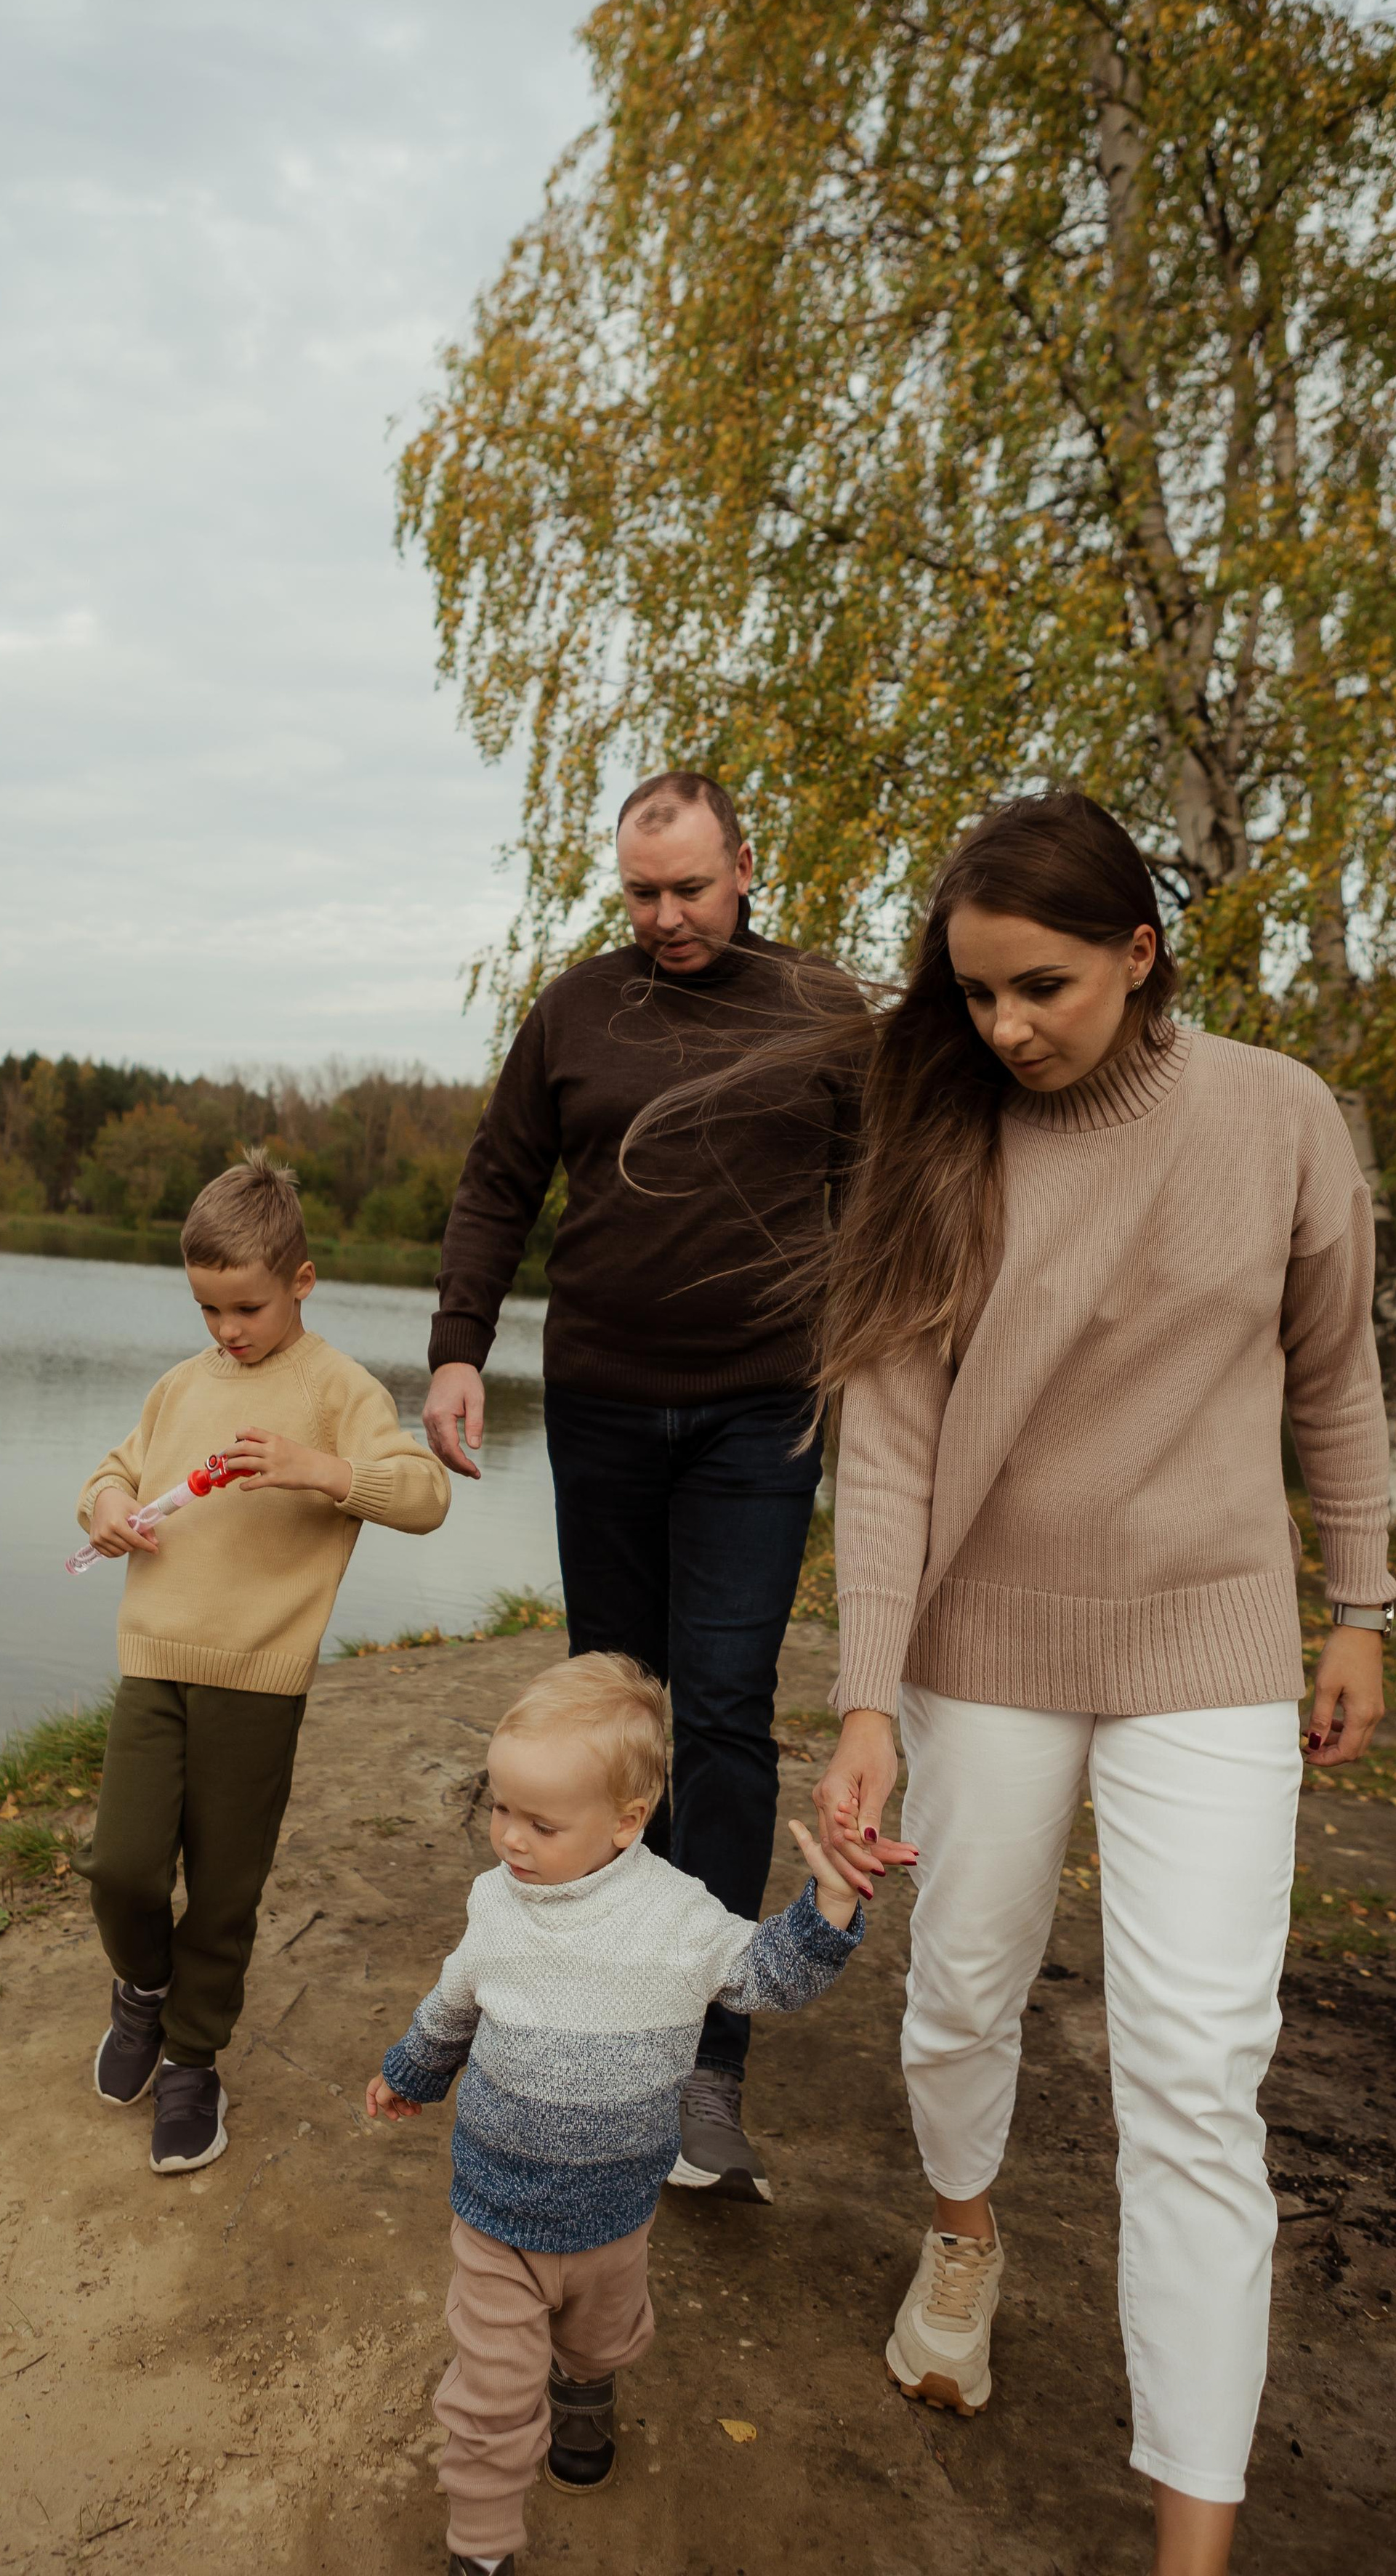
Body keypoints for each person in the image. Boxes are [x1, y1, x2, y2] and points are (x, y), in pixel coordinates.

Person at [804, 792, 1393, 2576]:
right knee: (959, 1992)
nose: (1003, 1029)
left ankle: (1186, 2548)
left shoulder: (1276, 1113)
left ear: (1139, 953)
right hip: (981, 1641)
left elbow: (1334, 1372)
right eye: (973, 994)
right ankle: (964, 2227)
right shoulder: (943, 1139)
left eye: (1039, 986)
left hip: (1208, 1641)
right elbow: (891, 1453)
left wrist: (1356, 1601)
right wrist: (862, 1700)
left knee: (1199, 2073)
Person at [424, 769, 866, 2200]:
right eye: (639, 892)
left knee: (724, 1715)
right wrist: (454, 1353)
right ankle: (594, 1997)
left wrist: (881, 1376)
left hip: (758, 1410)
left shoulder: (821, 1014)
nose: (665, 916)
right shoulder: (574, 1011)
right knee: (615, 1718)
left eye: (688, 887)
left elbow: (878, 1207)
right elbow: (497, 1183)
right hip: (604, 1404)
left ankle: (709, 2065)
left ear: (747, 866)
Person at [368, 1653, 864, 2576]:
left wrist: (828, 1905)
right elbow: (453, 2005)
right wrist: (412, 2072)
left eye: (541, 1822)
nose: (510, 1839)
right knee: (487, 2398)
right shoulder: (496, 1902)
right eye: (500, 1808)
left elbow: (763, 1979)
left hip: (614, 2213)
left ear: (628, 1822)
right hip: (495, 2213)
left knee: (598, 2340)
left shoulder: (676, 1916)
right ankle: (479, 2552)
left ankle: (586, 2389)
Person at [73, 1149, 450, 2174]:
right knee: (122, 1867)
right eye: (207, 1310)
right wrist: (108, 1511)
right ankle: (143, 1992)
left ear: (301, 1280)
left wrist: (322, 1470)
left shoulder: (337, 1389)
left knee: (226, 1888)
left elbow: (423, 1495)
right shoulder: (178, 1385)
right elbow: (116, 1470)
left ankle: (193, 2059)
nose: (228, 1332)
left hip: (258, 1679)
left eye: (246, 1308)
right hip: (154, 1661)